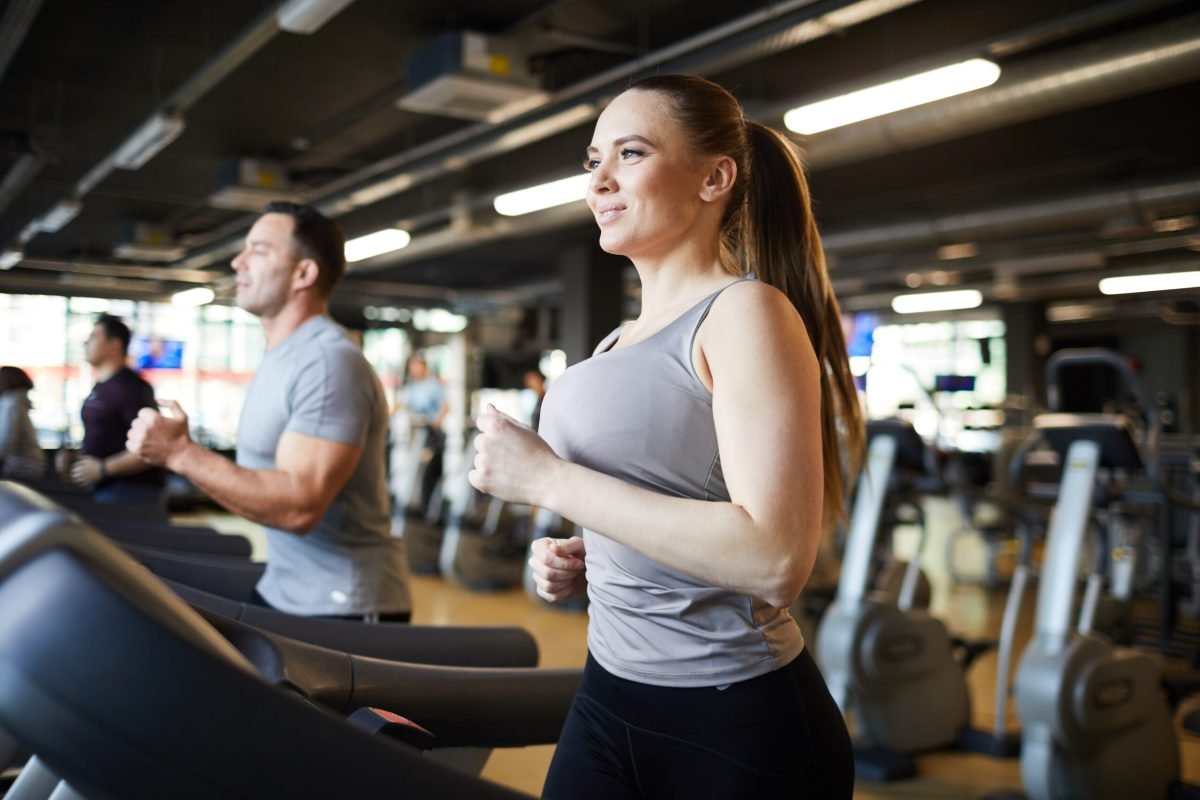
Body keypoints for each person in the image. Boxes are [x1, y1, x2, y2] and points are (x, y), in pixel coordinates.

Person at [468, 75, 864, 798]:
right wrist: (595, 552)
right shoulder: (619, 340)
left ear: (715, 177)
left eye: (632, 153)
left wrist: (549, 482)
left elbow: (775, 558)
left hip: (733, 722)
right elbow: (668, 497)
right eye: (593, 161)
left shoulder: (746, 313)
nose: (601, 180)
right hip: (609, 693)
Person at [127, 202, 410, 622]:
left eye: (258, 250)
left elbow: (299, 507)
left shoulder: (327, 363)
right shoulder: (286, 355)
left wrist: (181, 454)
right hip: (288, 586)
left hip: (343, 603)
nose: (238, 261)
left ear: (303, 274)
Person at [59, 315, 165, 506]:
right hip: (105, 488)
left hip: (132, 492)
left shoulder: (132, 388)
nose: (86, 343)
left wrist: (103, 468)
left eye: (93, 337)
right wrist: (78, 459)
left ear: (114, 345)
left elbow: (153, 447)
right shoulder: (101, 386)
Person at [399, 353, 448, 512]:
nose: (413, 370)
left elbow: (445, 406)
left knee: (429, 474)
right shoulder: (412, 387)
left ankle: (429, 508)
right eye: (411, 367)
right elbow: (402, 404)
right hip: (416, 434)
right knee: (413, 470)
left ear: (423, 366)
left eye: (416, 366)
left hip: (431, 436)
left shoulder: (433, 385)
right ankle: (414, 502)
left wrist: (435, 423)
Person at [0, 366, 47, 480]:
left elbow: (5, 442)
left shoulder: (11, 403)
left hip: (23, 465)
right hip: (32, 464)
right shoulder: (17, 402)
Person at [522, 367, 547, 431]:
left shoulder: (548, 397)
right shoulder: (537, 400)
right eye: (529, 379)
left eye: (533, 378)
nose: (534, 381)